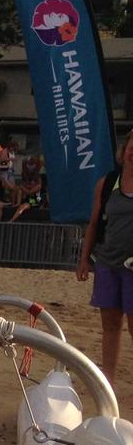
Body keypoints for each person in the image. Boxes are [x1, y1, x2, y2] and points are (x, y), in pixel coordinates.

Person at [77, 129, 133, 385]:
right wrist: (84, 259)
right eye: (131, 147)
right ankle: (107, 381)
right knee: (110, 325)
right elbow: (93, 223)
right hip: (107, 263)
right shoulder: (108, 182)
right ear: (124, 152)